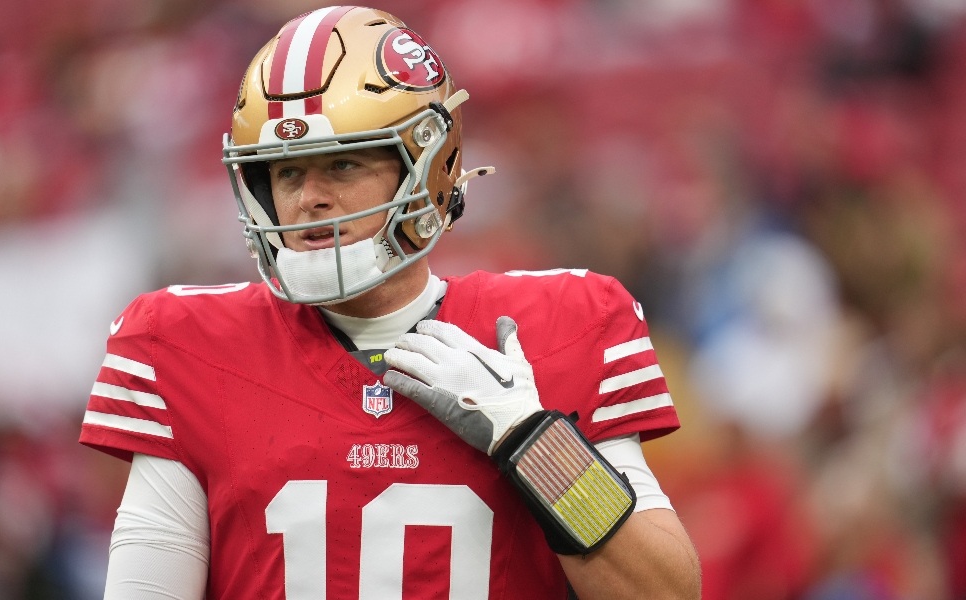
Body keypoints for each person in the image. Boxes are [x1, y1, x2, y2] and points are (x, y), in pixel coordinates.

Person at [79, 6, 701, 599]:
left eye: (342, 166)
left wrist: (532, 440)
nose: (307, 200)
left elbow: (665, 591)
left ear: (427, 170)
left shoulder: (563, 325)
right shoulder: (189, 347)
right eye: (287, 173)